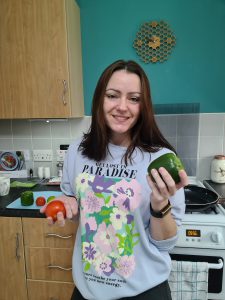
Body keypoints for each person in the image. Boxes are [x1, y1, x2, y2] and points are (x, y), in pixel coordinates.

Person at [41, 59, 188, 300]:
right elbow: (74, 202)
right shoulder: (77, 151)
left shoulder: (160, 159)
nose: (122, 106)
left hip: (144, 292)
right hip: (87, 291)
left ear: (144, 106)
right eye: (113, 95)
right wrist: (67, 206)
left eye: (134, 98)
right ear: (100, 99)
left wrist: (160, 204)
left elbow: (165, 244)